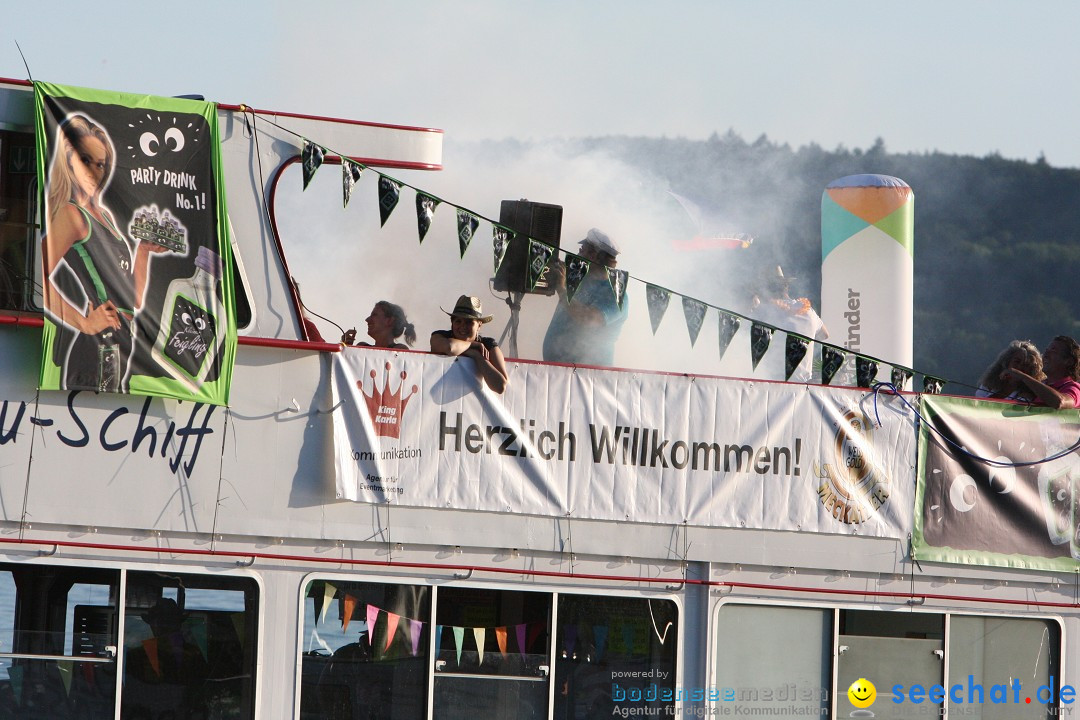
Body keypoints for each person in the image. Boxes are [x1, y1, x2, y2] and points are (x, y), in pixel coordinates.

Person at [41, 114, 165, 392]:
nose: (94, 172)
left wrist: (143, 251)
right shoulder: (71, 215)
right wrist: (84, 323)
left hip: (122, 341)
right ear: (69, 158)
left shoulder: (106, 215)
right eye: (86, 160)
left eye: (100, 164)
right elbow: (38, 273)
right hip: (98, 345)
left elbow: (131, 300)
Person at [542, 228, 628, 366]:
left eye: (582, 249)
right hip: (559, 372)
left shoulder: (615, 293)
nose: (579, 252)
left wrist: (561, 289)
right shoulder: (580, 276)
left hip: (587, 378)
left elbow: (588, 319)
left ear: (593, 256)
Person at [750, 266, 828, 382]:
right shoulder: (808, 311)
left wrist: (754, 308)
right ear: (787, 288)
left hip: (775, 381)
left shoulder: (767, 311)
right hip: (803, 383)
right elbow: (824, 335)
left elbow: (747, 333)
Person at [430, 295, 509, 393]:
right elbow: (450, 348)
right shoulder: (440, 336)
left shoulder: (489, 345)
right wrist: (472, 345)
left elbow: (500, 386)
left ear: (479, 325)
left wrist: (477, 356)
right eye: (458, 321)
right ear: (452, 323)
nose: (463, 326)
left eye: (469, 322)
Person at [1003, 336, 1080, 409]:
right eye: (1047, 349)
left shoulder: (1074, 388)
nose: (1046, 352)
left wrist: (1022, 376)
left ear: (1069, 361)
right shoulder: (1041, 385)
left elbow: (1060, 402)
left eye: (1053, 350)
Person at [975, 340, 1044, 400]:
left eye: (1026, 365)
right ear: (1007, 362)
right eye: (1017, 361)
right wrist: (1006, 390)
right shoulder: (990, 383)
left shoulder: (1030, 393)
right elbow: (980, 405)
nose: (1020, 367)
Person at [342, 300, 417, 349]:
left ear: (390, 321)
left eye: (374, 315)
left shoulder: (399, 350)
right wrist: (346, 347)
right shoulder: (362, 347)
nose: (367, 320)